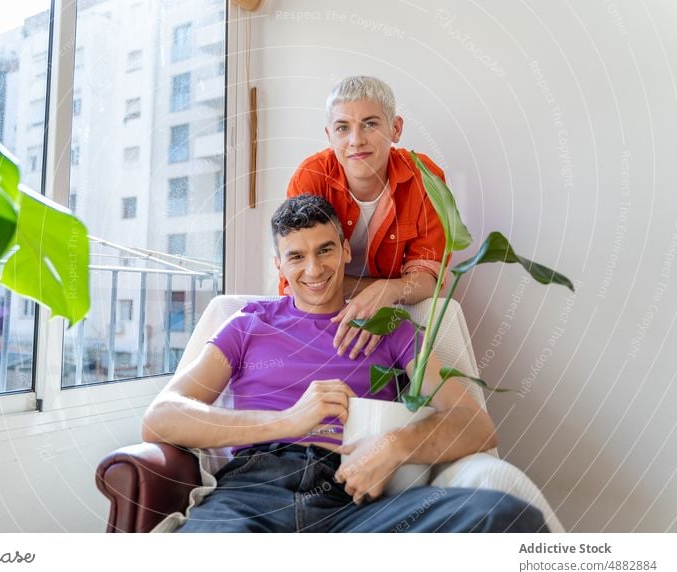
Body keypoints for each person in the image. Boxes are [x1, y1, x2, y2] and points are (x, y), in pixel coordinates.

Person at [142, 195, 547, 533]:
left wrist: (396, 445)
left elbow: (477, 425)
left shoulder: (389, 328)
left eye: (325, 250)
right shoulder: (247, 325)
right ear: (278, 266)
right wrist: (288, 422)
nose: (314, 269)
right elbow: (160, 417)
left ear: (345, 250)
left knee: (505, 515)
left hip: (356, 501)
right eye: (296, 256)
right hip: (253, 494)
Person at [283, 75, 448, 360]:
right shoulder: (311, 177)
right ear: (329, 135)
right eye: (343, 128)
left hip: (394, 311)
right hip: (317, 312)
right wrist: (381, 288)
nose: (356, 140)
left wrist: (390, 290)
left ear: (395, 129)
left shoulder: (425, 177)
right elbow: (301, 275)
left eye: (370, 124)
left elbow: (429, 279)